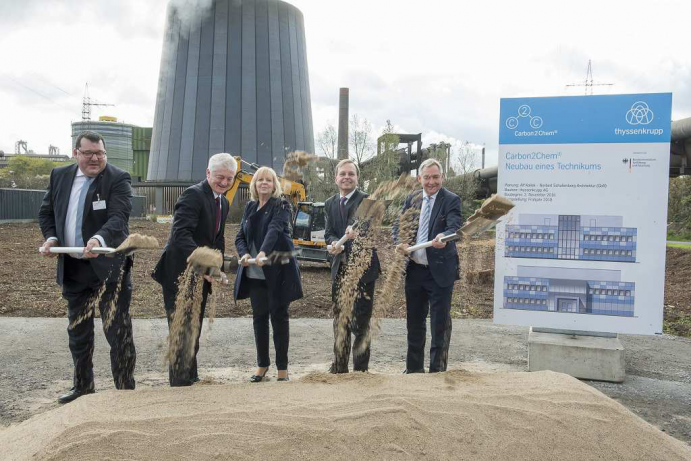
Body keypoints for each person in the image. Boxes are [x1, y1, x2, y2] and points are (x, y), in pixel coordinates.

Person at [38, 130, 136, 403]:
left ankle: (125, 391)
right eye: (89, 153)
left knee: (117, 331)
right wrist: (52, 238)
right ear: (76, 153)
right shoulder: (60, 176)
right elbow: (46, 212)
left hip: (108, 268)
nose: (95, 158)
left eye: (100, 153)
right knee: (78, 330)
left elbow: (119, 217)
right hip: (74, 268)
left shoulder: (117, 178)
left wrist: (98, 238)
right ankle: (83, 386)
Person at [152, 153, 236, 386]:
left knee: (194, 328)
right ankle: (180, 384)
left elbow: (217, 239)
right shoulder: (193, 195)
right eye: (220, 177)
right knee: (182, 330)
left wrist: (217, 266)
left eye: (229, 178)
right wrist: (205, 263)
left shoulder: (223, 201)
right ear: (208, 173)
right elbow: (181, 235)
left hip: (201, 274)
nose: (224, 182)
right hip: (180, 273)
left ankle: (191, 376)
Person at [393, 158, 462, 373]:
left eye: (435, 177)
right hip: (414, 270)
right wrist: (399, 241)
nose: (431, 182)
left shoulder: (451, 199)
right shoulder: (411, 199)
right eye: (427, 177)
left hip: (440, 271)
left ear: (442, 177)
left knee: (439, 324)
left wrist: (445, 236)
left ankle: (437, 370)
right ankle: (413, 370)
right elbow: (399, 225)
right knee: (414, 322)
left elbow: (455, 226)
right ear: (419, 179)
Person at [234, 167, 303, 382]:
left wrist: (263, 252)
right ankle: (262, 365)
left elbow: (275, 229)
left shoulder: (281, 205)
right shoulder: (250, 207)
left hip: (277, 271)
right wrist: (245, 254)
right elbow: (239, 236)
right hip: (254, 272)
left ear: (274, 185)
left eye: (269, 180)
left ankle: (283, 367)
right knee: (259, 318)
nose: (264, 183)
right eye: (259, 180)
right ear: (254, 184)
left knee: (279, 318)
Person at [324, 159, 380, 373]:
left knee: (361, 322)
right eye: (343, 174)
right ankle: (339, 366)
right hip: (340, 269)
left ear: (357, 178)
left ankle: (360, 369)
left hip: (363, 271)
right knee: (340, 319)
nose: (346, 177)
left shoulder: (367, 201)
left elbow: (372, 233)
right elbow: (329, 231)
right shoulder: (330, 202)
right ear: (336, 178)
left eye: (351, 174)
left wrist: (357, 237)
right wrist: (332, 243)